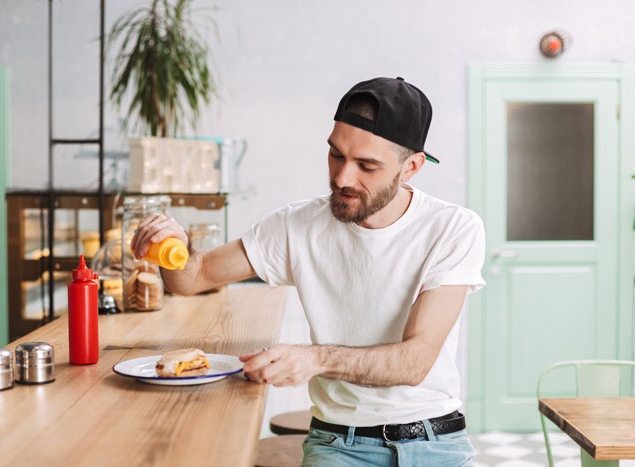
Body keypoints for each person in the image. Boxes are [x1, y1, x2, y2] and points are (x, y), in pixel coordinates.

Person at [131, 77, 485, 466]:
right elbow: (193, 278)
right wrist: (172, 247)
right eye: (336, 155)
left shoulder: (453, 228)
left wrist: (316, 359)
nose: (342, 178)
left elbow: (414, 361)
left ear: (411, 167)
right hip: (339, 445)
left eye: (366, 165)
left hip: (436, 440)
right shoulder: (296, 225)